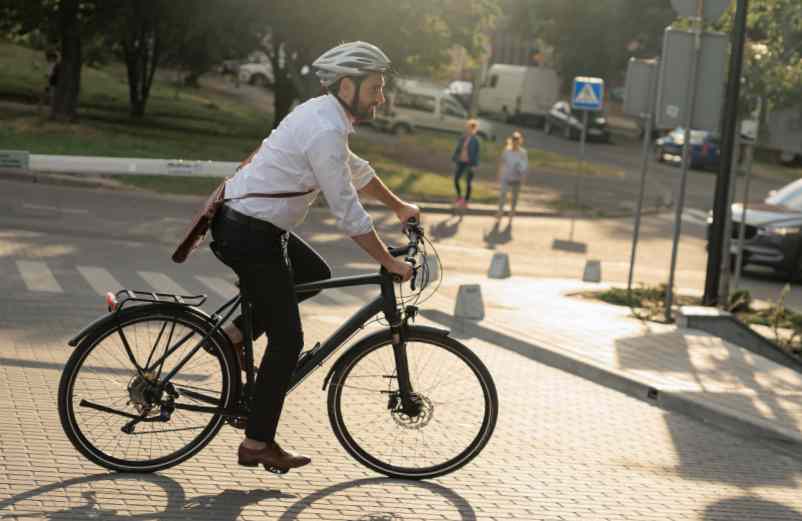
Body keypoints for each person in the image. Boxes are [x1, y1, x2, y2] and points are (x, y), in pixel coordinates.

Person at [209, 41, 419, 472]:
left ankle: (231, 336)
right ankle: (257, 442)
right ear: (348, 85)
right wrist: (389, 261)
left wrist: (398, 206)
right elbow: (347, 210)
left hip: (255, 226)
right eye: (375, 88)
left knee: (314, 273)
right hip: (250, 233)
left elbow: (353, 169)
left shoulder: (325, 116)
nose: (381, 97)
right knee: (288, 341)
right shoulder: (324, 127)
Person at [496, 131, 528, 224]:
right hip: (506, 177)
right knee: (503, 196)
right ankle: (499, 215)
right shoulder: (507, 151)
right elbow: (502, 162)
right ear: (511, 140)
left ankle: (511, 216)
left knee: (514, 199)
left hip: (517, 179)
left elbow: (525, 166)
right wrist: (499, 174)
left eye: (517, 140)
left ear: (520, 141)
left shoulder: (523, 152)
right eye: (514, 139)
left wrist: (523, 177)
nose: (515, 141)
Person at [451, 119, 480, 208]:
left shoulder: (476, 140)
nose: (470, 129)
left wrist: (474, 165)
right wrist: (454, 158)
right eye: (469, 127)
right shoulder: (463, 138)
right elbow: (457, 149)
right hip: (461, 162)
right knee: (456, 179)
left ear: (475, 129)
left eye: (472, 127)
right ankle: (459, 197)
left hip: (470, 163)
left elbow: (476, 153)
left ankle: (466, 201)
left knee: (468, 182)